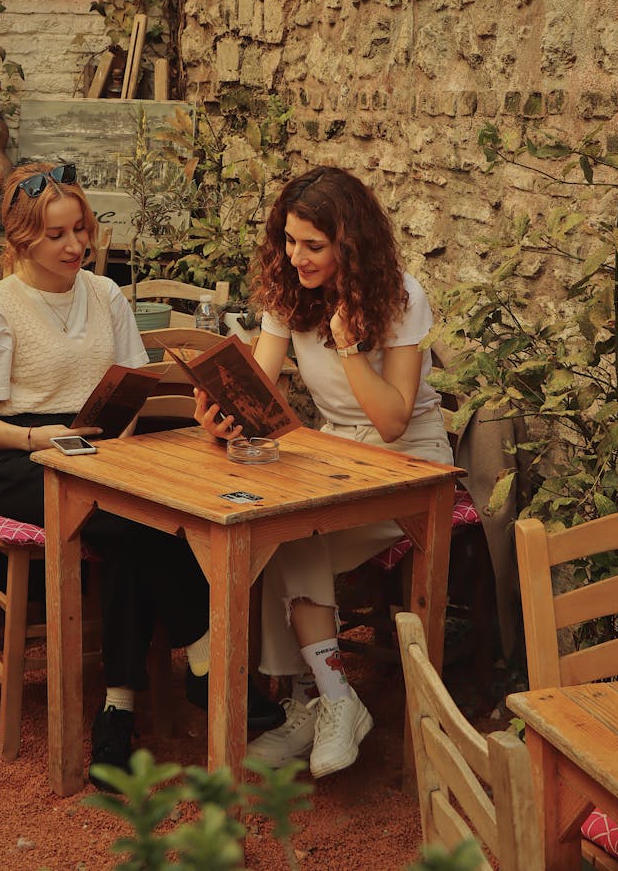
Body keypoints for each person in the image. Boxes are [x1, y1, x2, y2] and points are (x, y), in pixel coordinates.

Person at [0, 161, 281, 787]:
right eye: (56, 235)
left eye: (80, 229)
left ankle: (118, 710)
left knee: (142, 517)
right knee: (137, 524)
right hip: (25, 456)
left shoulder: (105, 295)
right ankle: (205, 658)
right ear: (23, 238)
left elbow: (131, 385)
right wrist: (37, 437)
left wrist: (120, 448)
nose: (75, 245)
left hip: (105, 446)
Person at [194, 165, 453, 779]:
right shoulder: (288, 292)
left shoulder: (402, 297)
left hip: (410, 461)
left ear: (350, 244)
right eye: (289, 240)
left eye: (313, 245)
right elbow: (256, 387)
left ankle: (325, 699)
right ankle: (323, 701)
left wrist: (345, 347)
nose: (296, 256)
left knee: (292, 531)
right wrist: (221, 415)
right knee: (276, 527)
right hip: (335, 452)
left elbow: (392, 419)